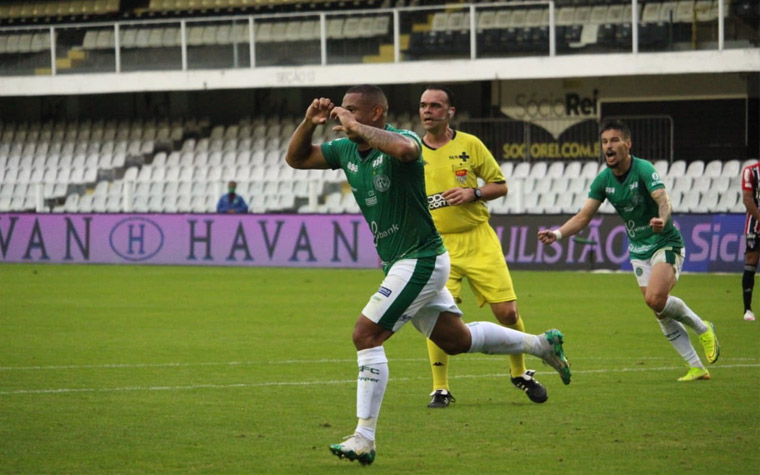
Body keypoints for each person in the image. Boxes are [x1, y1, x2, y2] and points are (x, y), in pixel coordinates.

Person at [285, 84, 571, 466]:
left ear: (375, 114)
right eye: (342, 109)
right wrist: (308, 122)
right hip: (405, 260)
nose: (342, 115)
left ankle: (364, 437)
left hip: (420, 258)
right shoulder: (346, 150)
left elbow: (406, 151)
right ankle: (540, 345)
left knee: (365, 334)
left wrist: (355, 127)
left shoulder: (402, 140)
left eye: (352, 109)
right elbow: (296, 159)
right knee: (457, 340)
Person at [537, 119, 720, 382]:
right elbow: (584, 216)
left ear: (627, 144)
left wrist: (662, 219)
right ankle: (697, 367)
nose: (607, 146)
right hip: (638, 250)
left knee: (655, 299)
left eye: (613, 140)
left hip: (664, 242)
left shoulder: (643, 168)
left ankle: (704, 328)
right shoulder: (603, 179)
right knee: (659, 309)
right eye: (604, 142)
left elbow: (663, 199)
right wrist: (557, 234)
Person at [418, 85, 547, 407]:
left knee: (507, 312)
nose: (427, 111)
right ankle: (440, 388)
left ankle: (520, 373)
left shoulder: (470, 144)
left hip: (478, 238)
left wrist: (473, 193)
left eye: (435, 105)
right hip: (437, 245)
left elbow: (500, 185)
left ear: (450, 112)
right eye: (423, 105)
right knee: (439, 319)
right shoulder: (410, 150)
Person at [741, 161, 760, 321]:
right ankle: (747, 309)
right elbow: (747, 200)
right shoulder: (751, 171)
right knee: (751, 261)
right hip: (755, 225)